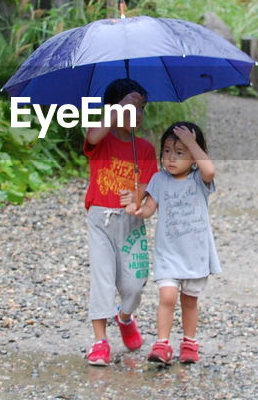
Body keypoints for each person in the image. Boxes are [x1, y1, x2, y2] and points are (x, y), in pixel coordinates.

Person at [120, 121, 218, 366]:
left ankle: (189, 342)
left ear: (194, 156)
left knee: (189, 300)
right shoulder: (159, 180)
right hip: (169, 253)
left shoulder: (199, 180)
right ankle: (162, 343)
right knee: (167, 297)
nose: (171, 158)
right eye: (167, 151)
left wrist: (193, 143)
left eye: (180, 152)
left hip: (195, 254)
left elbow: (210, 171)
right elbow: (149, 210)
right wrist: (135, 209)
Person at [82, 78, 157, 366]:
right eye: (129, 108)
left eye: (140, 108)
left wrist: (136, 197)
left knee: (135, 283)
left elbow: (147, 186)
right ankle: (100, 341)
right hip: (100, 218)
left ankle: (124, 316)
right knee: (102, 278)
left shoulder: (146, 149)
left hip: (130, 222)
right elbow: (92, 137)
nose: (134, 114)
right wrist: (117, 111)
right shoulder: (101, 140)